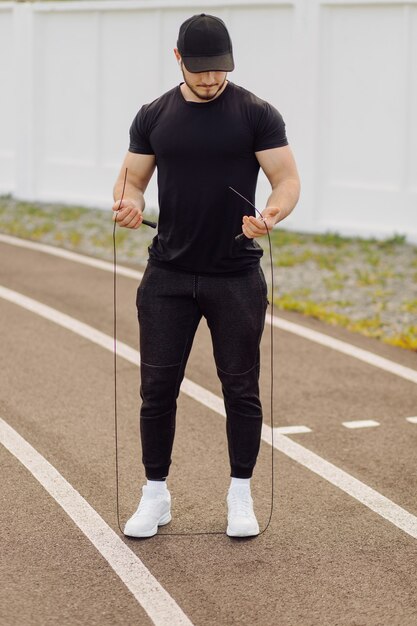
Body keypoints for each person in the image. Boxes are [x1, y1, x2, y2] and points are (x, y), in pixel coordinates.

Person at [112, 13, 300, 538]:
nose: (212, 79)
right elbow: (130, 182)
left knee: (240, 389)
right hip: (168, 274)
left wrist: (273, 214)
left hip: (235, 275)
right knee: (157, 388)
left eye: (220, 70)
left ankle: (240, 495)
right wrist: (128, 204)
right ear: (179, 61)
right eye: (201, 71)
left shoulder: (256, 113)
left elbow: (285, 179)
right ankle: (155, 496)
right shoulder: (153, 115)